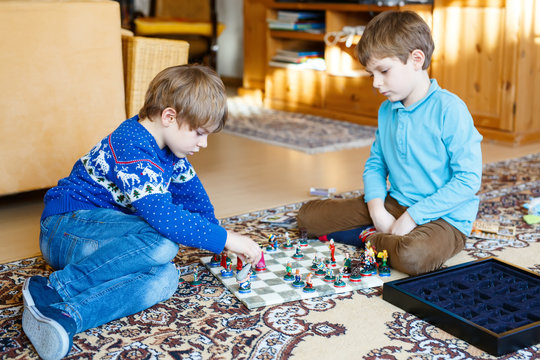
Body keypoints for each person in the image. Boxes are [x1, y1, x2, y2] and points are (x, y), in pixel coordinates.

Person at [21, 64, 263, 360]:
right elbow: (165, 218)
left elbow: (196, 202)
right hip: (67, 230)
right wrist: (226, 238)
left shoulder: (173, 153)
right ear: (169, 117)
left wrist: (219, 244)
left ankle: (66, 317)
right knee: (162, 242)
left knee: (166, 278)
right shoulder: (132, 143)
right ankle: (53, 287)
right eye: (199, 133)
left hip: (107, 243)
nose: (204, 143)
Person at [297, 10, 482, 276]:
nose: (376, 83)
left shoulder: (450, 109)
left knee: (412, 256)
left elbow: (468, 180)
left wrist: (413, 217)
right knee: (308, 217)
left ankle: (369, 239)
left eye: (383, 71)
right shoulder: (388, 109)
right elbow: (376, 164)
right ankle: (383, 235)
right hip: (396, 202)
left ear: (416, 59)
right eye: (371, 74)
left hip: (445, 216)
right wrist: (378, 211)